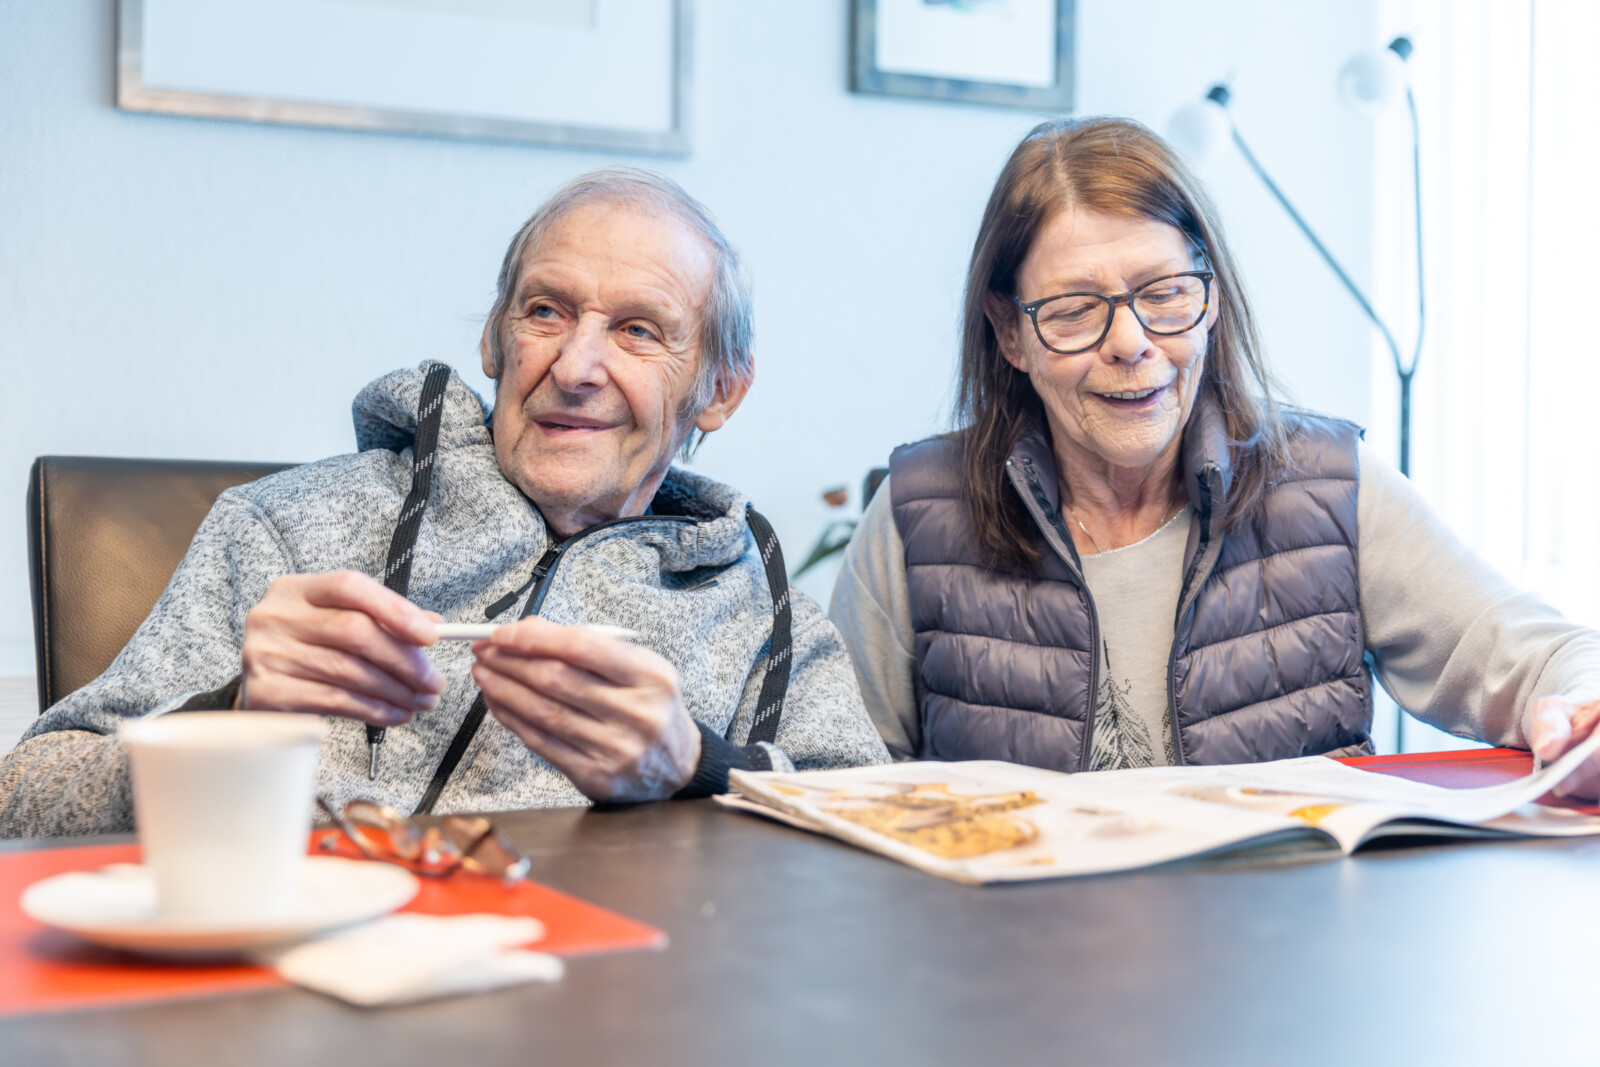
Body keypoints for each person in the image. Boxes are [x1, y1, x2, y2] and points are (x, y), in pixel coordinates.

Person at [0, 168, 889, 838]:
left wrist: (696, 765)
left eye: (637, 331)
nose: (575, 368)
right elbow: (25, 798)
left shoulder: (764, 609)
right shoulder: (281, 527)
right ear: (493, 340)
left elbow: (880, 824)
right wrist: (230, 715)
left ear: (720, 392)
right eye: (546, 311)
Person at [830, 117, 1600, 797]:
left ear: (1213, 298)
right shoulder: (916, 514)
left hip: (1283, 949)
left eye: (1164, 294)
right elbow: (835, 788)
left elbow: (1548, 662)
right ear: (1010, 333)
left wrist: (1580, 713)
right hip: (1007, 955)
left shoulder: (1330, 489)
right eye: (1072, 311)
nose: (1131, 344)